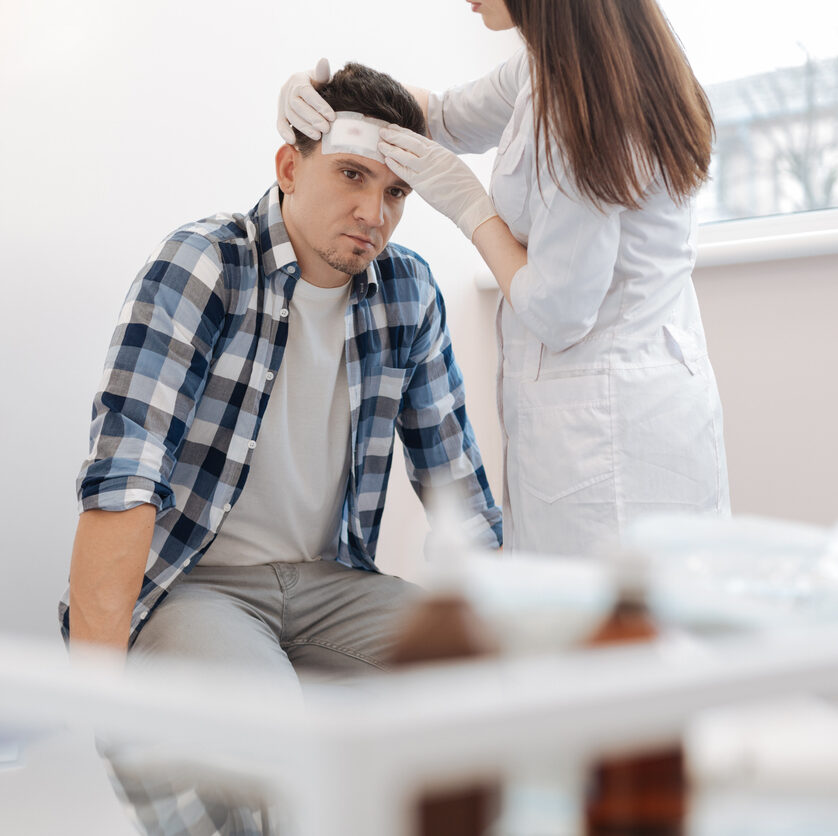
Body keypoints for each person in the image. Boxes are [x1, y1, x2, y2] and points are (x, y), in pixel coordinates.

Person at [60, 61, 502, 835]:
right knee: (280, 751)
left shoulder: (409, 292)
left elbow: (457, 488)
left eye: (395, 192)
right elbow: (125, 474)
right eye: (352, 176)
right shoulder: (204, 266)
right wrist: (104, 704)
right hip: (201, 586)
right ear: (290, 166)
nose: (374, 211)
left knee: (503, 689)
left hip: (333, 582)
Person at [278, 0, 730, 557]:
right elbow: (441, 115)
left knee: (607, 633)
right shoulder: (559, 67)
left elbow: (559, 313)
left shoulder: (580, 102)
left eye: (394, 192)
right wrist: (318, 96)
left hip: (608, 430)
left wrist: (472, 208)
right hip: (639, 405)